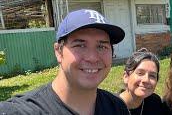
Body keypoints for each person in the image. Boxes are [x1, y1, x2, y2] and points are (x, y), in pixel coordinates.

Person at [0, 9, 130, 115]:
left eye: (101, 47)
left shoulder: (117, 107)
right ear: (58, 51)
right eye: (80, 45)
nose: (92, 57)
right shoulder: (20, 111)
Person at [118, 48, 167, 115]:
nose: (146, 80)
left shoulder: (154, 103)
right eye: (140, 73)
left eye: (152, 76)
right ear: (126, 77)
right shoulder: (109, 107)